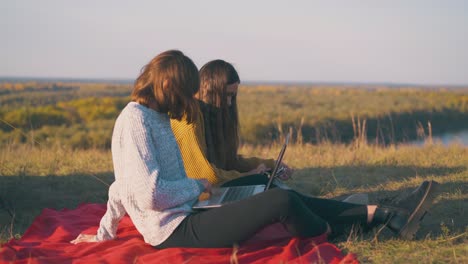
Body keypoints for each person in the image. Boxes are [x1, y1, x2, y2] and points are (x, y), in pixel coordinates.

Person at [71, 50, 439, 248]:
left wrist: (105, 230)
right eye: (185, 90)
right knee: (281, 203)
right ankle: (342, 226)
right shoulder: (135, 121)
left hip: (193, 210)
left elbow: (120, 186)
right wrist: (197, 186)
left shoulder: (154, 118)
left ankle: (384, 212)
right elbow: (147, 193)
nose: (188, 99)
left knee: (274, 191)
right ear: (169, 85)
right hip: (175, 229)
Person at [170, 59, 291, 188]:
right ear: (209, 91)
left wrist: (271, 165)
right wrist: (248, 176)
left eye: (232, 97)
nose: (229, 102)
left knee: (275, 189)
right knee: (273, 190)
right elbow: (205, 175)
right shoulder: (189, 118)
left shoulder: (211, 115)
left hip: (211, 192)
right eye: (226, 95)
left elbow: (230, 163)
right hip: (197, 197)